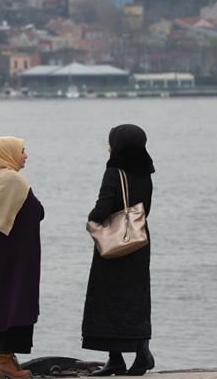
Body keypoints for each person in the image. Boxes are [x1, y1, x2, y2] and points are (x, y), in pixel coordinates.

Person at [82, 124, 156, 376]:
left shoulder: (114, 172)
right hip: (138, 242)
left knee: (108, 299)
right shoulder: (145, 170)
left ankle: (115, 358)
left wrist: (91, 220)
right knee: (135, 299)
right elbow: (145, 207)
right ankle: (141, 351)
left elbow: (103, 206)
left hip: (114, 244)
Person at [0, 136, 44, 379]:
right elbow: (37, 211)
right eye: (22, 151)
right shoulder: (13, 180)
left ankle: (4, 357)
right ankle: (5, 361)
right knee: (19, 299)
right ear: (7, 154)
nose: (25, 155)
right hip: (19, 253)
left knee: (3, 299)